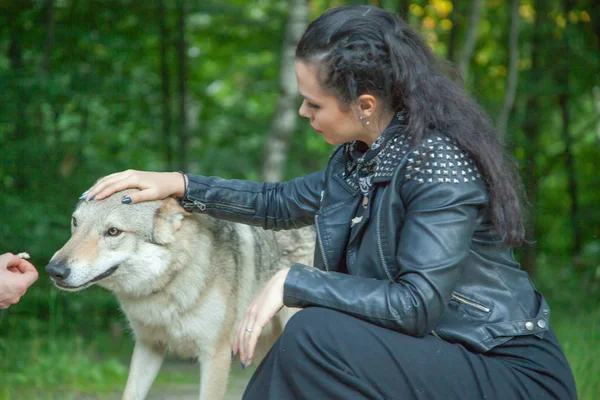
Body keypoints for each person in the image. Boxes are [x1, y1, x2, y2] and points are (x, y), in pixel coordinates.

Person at [84, 5, 577, 399]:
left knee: (315, 331)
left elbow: (417, 304)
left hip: (502, 368)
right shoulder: (357, 159)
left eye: (314, 103)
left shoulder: (437, 163)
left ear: (364, 104)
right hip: (431, 354)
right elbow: (278, 203)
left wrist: (297, 281)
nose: (303, 111)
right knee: (314, 336)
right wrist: (179, 183)